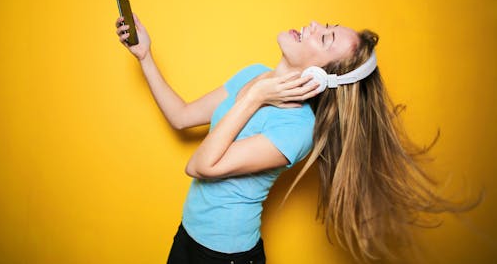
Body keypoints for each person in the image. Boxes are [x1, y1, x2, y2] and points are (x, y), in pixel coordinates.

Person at [114, 14, 481, 264]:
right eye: (325, 25)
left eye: (324, 37)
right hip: (189, 235)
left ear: (319, 78)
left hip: (225, 256)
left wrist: (256, 98)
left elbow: (199, 166)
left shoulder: (296, 129)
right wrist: (144, 55)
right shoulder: (252, 74)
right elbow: (181, 117)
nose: (312, 24)